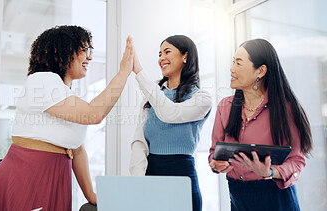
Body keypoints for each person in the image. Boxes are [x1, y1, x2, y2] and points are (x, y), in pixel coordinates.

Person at [0, 25, 133, 211]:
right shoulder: (42, 81)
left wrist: (89, 194)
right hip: (27, 179)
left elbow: (77, 150)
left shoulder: (64, 94)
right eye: (84, 50)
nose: (89, 57)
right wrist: (124, 72)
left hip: (51, 178)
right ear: (60, 51)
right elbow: (94, 114)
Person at [208, 38, 313, 211]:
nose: (231, 69)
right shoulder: (225, 107)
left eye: (238, 63)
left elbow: (297, 161)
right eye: (233, 62)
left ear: (261, 71)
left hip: (274, 197)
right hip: (237, 196)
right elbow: (214, 153)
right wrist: (217, 163)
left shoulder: (286, 109)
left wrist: (269, 172)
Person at [129, 35, 212, 211]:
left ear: (185, 56)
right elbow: (139, 141)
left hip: (182, 177)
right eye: (159, 54)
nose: (161, 58)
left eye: (167, 52)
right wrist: (137, 182)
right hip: (151, 176)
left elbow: (170, 113)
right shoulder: (150, 96)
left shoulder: (202, 99)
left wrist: (139, 71)